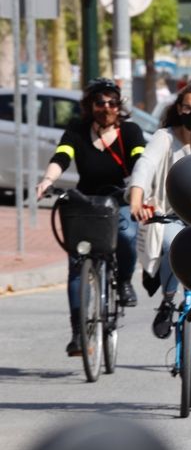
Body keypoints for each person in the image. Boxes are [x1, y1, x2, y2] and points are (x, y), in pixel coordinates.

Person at [36, 78, 146, 355]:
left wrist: (140, 190)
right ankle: (78, 334)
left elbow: (139, 161)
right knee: (77, 263)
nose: (106, 107)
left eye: (112, 102)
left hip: (118, 198)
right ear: (90, 105)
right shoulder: (77, 130)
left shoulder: (130, 131)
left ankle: (122, 283)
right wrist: (47, 180)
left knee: (126, 234)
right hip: (86, 202)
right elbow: (62, 155)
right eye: (100, 102)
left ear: (119, 106)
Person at [128, 83, 191, 338]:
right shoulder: (165, 137)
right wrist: (136, 197)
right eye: (188, 108)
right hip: (170, 215)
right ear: (178, 109)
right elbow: (145, 165)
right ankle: (168, 300)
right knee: (174, 244)